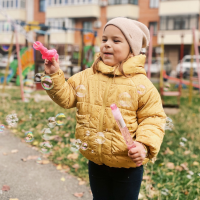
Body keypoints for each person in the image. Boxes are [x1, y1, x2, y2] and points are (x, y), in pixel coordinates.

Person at [44, 17, 166, 200]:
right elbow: (67, 98)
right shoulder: (87, 76)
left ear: (131, 49)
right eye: (104, 39)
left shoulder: (142, 85)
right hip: (96, 159)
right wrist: (54, 74)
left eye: (116, 40)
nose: (107, 44)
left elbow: (153, 118)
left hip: (127, 163)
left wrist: (144, 145)